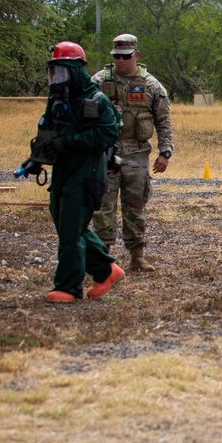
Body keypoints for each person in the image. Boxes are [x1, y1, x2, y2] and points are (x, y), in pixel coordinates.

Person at [35, 42, 124, 302]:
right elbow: (47, 132)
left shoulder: (96, 100)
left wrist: (70, 142)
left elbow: (107, 133)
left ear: (76, 71)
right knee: (66, 225)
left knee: (72, 231)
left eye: (62, 72)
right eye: (54, 73)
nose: (57, 79)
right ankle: (106, 269)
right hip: (63, 169)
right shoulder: (56, 101)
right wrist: (36, 158)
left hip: (87, 170)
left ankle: (67, 287)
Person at [91, 34, 173, 271]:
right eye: (116, 56)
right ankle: (103, 257)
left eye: (125, 56)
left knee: (135, 204)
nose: (120, 61)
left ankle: (137, 256)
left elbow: (164, 122)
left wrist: (165, 152)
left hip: (136, 153)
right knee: (103, 203)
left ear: (136, 55)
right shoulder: (97, 82)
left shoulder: (151, 86)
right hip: (106, 152)